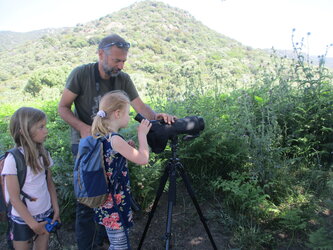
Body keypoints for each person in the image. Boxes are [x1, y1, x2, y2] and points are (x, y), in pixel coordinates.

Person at [58, 33, 175, 249]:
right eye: (116, 60)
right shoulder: (81, 74)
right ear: (101, 54)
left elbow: (141, 108)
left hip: (109, 143)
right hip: (86, 145)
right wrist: (84, 128)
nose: (121, 65)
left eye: (124, 61)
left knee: (109, 193)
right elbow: (62, 107)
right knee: (89, 199)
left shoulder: (123, 79)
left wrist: (157, 118)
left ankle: (109, 239)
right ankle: (89, 245)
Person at [92, 90, 151, 249]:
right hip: (114, 203)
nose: (129, 117)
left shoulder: (103, 135)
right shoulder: (116, 139)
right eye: (128, 113)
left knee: (117, 244)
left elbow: (110, 161)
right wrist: (142, 135)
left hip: (106, 201)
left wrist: (126, 150)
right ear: (117, 113)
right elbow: (143, 159)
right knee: (119, 246)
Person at [1, 107, 60, 250]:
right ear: (24, 131)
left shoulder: (44, 154)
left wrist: (56, 208)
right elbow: (14, 198)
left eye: (45, 126)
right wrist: (32, 224)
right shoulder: (13, 159)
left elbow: (49, 183)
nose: (46, 130)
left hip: (45, 212)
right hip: (22, 219)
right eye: (41, 127)